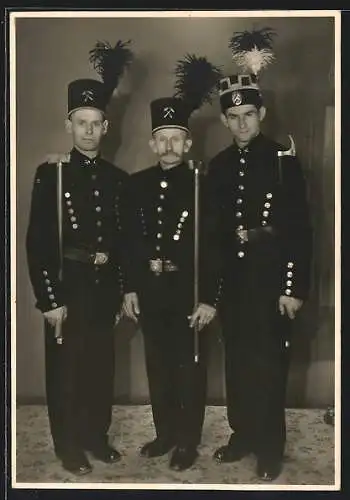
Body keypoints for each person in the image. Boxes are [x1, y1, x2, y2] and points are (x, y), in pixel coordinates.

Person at [207, 73, 313, 481]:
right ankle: (244, 435)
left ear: (262, 113)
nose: (242, 124)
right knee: (237, 364)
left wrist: (293, 288)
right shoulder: (219, 166)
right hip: (235, 284)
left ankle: (270, 447)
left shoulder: (283, 159)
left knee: (269, 366)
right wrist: (213, 292)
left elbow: (300, 229)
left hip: (271, 285)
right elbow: (215, 236)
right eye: (233, 117)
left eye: (249, 114)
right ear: (224, 120)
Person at [26, 78, 129, 475]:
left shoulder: (117, 179)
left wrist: (121, 291)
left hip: (102, 289)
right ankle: (69, 446)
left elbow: (120, 242)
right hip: (67, 287)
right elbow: (38, 242)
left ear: (106, 127)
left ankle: (95, 438)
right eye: (81, 122)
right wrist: (49, 299)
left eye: (95, 123)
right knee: (66, 370)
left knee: (100, 368)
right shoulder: (51, 173)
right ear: (69, 125)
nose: (88, 130)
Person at [122, 83, 222, 469]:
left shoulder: (203, 185)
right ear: (152, 144)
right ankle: (164, 433)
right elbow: (130, 243)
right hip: (151, 289)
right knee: (158, 366)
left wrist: (210, 297)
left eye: (175, 139)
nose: (168, 147)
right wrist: (129, 287)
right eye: (161, 139)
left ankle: (186, 441)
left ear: (187, 143)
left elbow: (215, 247)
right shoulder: (136, 186)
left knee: (190, 369)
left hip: (188, 291)